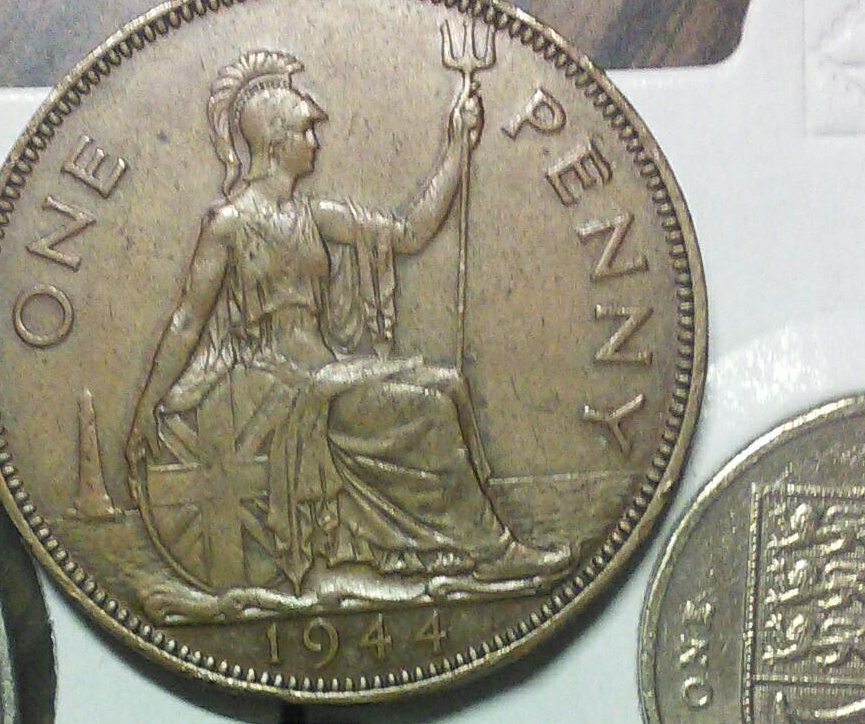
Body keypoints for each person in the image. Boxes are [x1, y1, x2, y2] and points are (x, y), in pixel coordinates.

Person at [125, 50, 568, 600]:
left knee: (451, 384)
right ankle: (490, 553)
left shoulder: (312, 215)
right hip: (280, 384)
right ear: (275, 143)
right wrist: (145, 409)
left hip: (325, 370)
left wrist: (457, 147)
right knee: (429, 407)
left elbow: (408, 233)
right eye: (306, 130)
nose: (316, 142)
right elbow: (187, 322)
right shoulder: (228, 225)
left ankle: (466, 545)